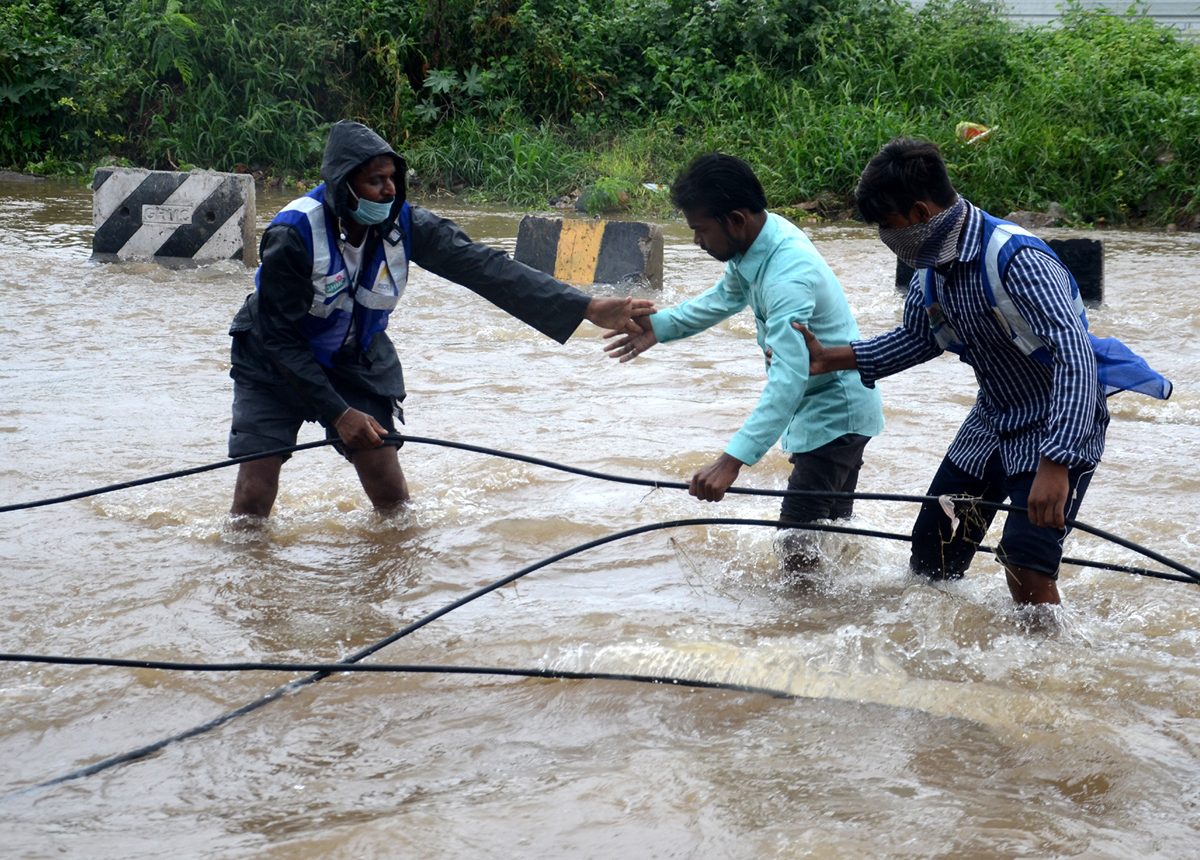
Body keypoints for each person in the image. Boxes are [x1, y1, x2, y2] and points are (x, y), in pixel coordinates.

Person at [796, 136, 1171, 606]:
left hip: (1057, 422)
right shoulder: (931, 268)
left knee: (1025, 566)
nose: (885, 238)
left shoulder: (1017, 259)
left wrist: (1056, 462)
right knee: (934, 551)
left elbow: (1076, 357)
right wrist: (829, 358)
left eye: (887, 225)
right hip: (991, 421)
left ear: (919, 213)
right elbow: (919, 337)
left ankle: (1050, 668)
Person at [227, 120, 652, 519]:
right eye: (375, 181)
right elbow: (280, 340)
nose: (388, 190)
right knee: (253, 495)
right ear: (344, 186)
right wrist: (339, 415)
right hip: (274, 362)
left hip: (353, 359)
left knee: (390, 494)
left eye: (393, 179)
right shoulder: (292, 235)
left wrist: (585, 306)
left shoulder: (406, 223)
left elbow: (486, 268)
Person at [604, 153, 884, 569]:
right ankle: (833, 614)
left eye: (700, 230)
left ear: (736, 219)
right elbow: (722, 298)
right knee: (827, 538)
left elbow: (788, 380)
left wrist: (731, 461)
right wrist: (658, 327)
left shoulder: (786, 277)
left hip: (833, 418)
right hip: (832, 412)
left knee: (796, 547)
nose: (698, 241)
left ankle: (802, 627)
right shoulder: (761, 239)